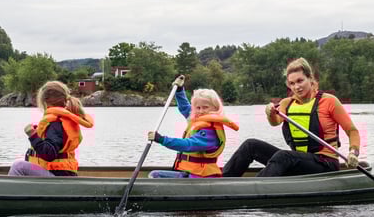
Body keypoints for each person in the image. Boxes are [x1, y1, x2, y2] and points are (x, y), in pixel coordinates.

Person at [222, 57, 361, 177]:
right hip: (299, 161)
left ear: (310, 79)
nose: (297, 87)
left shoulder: (329, 101)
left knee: (284, 156)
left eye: (300, 81)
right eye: (292, 83)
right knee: (250, 145)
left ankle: (255, 187)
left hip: (325, 163)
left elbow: (352, 130)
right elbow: (275, 122)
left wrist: (353, 152)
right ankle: (222, 182)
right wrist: (269, 113)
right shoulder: (287, 103)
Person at [148, 76, 240, 178]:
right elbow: (185, 107)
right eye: (198, 107)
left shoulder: (210, 130)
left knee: (155, 175)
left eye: (205, 107)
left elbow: (189, 145)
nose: (201, 111)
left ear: (215, 108)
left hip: (201, 176)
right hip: (189, 173)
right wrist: (179, 91)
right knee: (154, 174)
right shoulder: (196, 118)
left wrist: (162, 139)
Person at [9, 80, 94, 177]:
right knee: (21, 163)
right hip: (62, 174)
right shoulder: (63, 119)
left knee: (18, 166)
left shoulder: (55, 122)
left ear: (45, 101)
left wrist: (33, 136)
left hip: (57, 178)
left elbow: (49, 154)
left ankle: (4, 192)